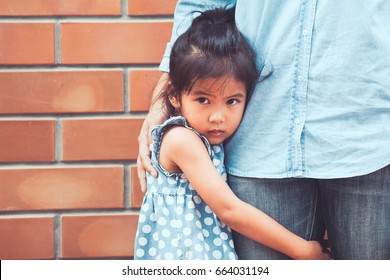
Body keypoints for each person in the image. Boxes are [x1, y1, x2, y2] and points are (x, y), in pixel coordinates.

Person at [138, 1, 390, 260]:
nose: (217, 117)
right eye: (203, 99)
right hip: (263, 137)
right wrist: (301, 250)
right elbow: (229, 209)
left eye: (231, 101)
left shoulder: (197, 139)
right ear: (176, 94)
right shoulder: (182, 140)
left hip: (367, 134)